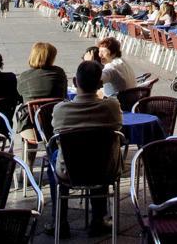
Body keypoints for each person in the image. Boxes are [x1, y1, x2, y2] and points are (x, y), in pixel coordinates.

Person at [47, 60, 122, 238]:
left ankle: (60, 220)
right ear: (100, 84)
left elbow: (54, 128)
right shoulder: (111, 107)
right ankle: (98, 218)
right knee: (101, 152)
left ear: (75, 82)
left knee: (55, 156)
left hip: (70, 172)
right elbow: (119, 125)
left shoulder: (60, 110)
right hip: (104, 171)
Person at [16, 42, 68, 165]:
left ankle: (27, 168)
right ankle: (57, 163)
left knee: (28, 129)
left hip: (32, 129)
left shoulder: (24, 76)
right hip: (56, 125)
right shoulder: (59, 73)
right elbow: (64, 95)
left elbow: (20, 97)